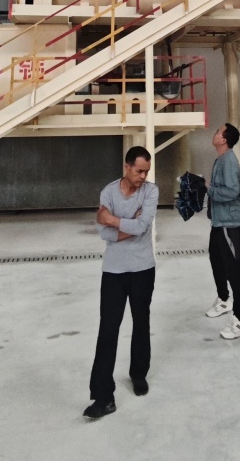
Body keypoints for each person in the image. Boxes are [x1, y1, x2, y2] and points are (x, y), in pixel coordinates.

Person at [84, 146, 159, 420]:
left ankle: (138, 374)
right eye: (139, 171)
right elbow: (103, 232)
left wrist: (113, 220)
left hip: (142, 269)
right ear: (127, 167)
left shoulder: (150, 192)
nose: (143, 176)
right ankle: (103, 397)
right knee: (107, 330)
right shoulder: (108, 192)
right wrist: (128, 224)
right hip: (113, 271)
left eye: (146, 171)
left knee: (141, 322)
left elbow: (142, 227)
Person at [205, 123, 240, 339]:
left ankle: (239, 319)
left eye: (217, 131)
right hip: (219, 222)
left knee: (234, 269)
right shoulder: (221, 159)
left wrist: (209, 189)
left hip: (230, 224)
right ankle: (224, 299)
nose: (214, 133)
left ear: (223, 140)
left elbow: (232, 191)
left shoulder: (229, 161)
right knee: (216, 259)